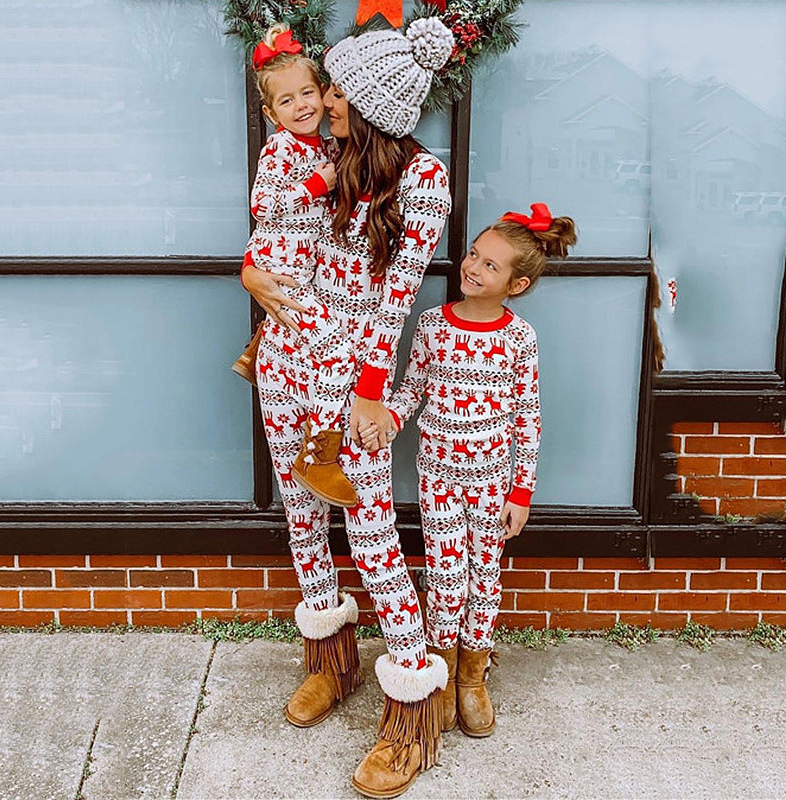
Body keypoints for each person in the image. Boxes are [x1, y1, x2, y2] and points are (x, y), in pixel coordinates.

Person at [241, 17, 455, 800]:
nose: (321, 100)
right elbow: (277, 235)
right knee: (301, 517)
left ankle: (413, 709)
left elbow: (397, 298)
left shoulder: (422, 181)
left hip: (349, 380)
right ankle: (331, 661)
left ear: (366, 104)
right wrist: (249, 271)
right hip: (284, 362)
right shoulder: (323, 158)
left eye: (334, 91)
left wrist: (370, 391)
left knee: (370, 535)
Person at [364, 204, 577, 738]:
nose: (473, 267)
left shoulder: (519, 339)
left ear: (516, 284)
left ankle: (472, 676)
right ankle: (440, 671)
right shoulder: (433, 326)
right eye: (474, 255)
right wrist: (388, 418)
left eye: (490, 265)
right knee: (445, 577)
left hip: (491, 485)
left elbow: (527, 418)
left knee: (485, 576)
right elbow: (412, 388)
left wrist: (521, 491)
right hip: (438, 478)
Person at [231, 23, 357, 508]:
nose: (301, 106)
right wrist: (316, 186)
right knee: (337, 349)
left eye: (307, 93)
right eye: (287, 101)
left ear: (322, 93)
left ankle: (258, 348)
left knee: (312, 337)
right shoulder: (280, 149)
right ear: (270, 113)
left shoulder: (326, 147)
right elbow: (262, 206)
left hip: (304, 270)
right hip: (280, 269)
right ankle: (319, 454)